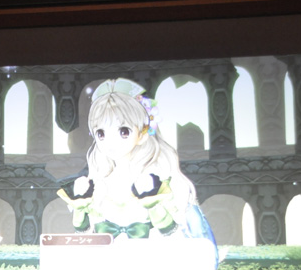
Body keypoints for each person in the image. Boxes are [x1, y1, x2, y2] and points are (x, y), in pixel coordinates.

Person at [58, 78, 216, 248]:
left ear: (142, 134)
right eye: (101, 133)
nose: (110, 142)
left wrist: (153, 205)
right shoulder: (98, 183)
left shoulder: (159, 180)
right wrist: (80, 207)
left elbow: (176, 237)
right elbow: (84, 235)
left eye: (123, 131)